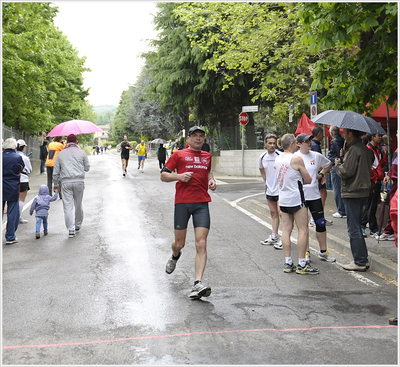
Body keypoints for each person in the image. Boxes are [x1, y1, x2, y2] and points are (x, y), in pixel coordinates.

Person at [161, 126, 217, 299]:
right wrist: (179, 176)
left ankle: (197, 284)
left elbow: (208, 172)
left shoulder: (207, 156)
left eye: (201, 136)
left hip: (201, 203)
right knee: (179, 244)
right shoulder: (179, 154)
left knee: (201, 243)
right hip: (183, 203)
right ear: (189, 139)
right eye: (195, 136)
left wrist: (212, 181)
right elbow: (163, 175)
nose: (198, 139)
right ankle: (175, 255)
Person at [274, 134, 316, 274]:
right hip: (296, 198)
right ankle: (302, 263)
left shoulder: (278, 158)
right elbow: (308, 179)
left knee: (286, 229)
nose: (297, 145)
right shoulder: (296, 158)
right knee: (303, 229)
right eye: (296, 143)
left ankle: (288, 262)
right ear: (292, 144)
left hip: (284, 197)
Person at [335, 128, 373, 271]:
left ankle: (360, 261)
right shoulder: (363, 148)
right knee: (357, 226)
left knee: (353, 228)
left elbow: (346, 172)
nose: (343, 135)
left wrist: (338, 163)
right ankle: (362, 259)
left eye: (344, 132)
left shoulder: (354, 149)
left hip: (353, 191)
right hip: (363, 191)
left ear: (350, 134)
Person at [294, 133, 336, 264]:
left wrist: (322, 173)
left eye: (310, 140)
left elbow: (329, 164)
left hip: (315, 196)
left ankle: (323, 251)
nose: (309, 142)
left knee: (320, 223)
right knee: (303, 227)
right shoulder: (295, 158)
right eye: (306, 141)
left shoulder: (316, 156)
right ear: (299, 143)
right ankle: (306, 252)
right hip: (300, 197)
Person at [53, 134, 90, 238]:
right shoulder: (82, 152)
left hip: (65, 182)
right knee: (78, 204)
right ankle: (78, 224)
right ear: (76, 141)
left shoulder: (61, 154)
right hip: (79, 182)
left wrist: (55, 184)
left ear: (66, 142)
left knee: (67, 206)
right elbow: (87, 168)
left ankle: (71, 229)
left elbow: (56, 171)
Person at [258, 133, 282, 250]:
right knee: (273, 213)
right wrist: (266, 181)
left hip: (281, 190)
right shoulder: (262, 157)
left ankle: (284, 238)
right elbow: (261, 168)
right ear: (265, 144)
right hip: (270, 189)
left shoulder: (280, 155)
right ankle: (274, 235)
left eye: (274, 143)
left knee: (281, 213)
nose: (272, 145)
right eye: (270, 143)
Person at [361, 133, 388, 238]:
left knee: (372, 206)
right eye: (378, 136)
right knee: (370, 206)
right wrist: (374, 179)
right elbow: (369, 167)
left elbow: (379, 165)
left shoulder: (376, 150)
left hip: (376, 181)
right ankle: (369, 227)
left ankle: (367, 226)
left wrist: (385, 154)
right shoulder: (369, 150)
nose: (380, 138)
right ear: (372, 138)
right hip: (373, 181)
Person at [2, 138, 25, 245]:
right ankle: (10, 237)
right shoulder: (18, 158)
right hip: (13, 188)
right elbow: (22, 169)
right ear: (15, 147)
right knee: (12, 214)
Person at [376, 147, 397, 241]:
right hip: (395, 181)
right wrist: (389, 175)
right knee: (393, 208)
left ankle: (390, 231)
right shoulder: (397, 150)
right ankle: (390, 230)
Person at [327, 126, 346, 219]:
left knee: (337, 188)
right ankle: (342, 209)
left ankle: (341, 210)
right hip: (339, 165)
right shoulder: (342, 140)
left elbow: (338, 154)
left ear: (331, 133)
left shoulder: (335, 141)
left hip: (335, 165)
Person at [16, 139, 32, 224]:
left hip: (15, 179)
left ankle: (14, 216)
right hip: (24, 179)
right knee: (21, 199)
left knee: (15, 199)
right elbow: (29, 170)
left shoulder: (14, 155)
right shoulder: (25, 158)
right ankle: (18, 217)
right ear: (23, 147)